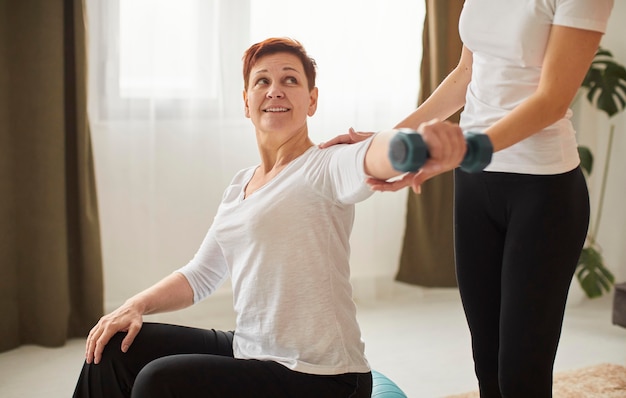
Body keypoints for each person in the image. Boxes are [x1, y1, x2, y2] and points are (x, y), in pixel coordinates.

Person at [72, 37, 466, 398]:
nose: (275, 89)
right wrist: (134, 305)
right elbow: (201, 274)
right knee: (115, 345)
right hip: (253, 350)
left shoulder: (325, 165)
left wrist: (415, 144)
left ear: (312, 101)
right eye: (262, 81)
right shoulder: (240, 185)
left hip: (321, 378)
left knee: (160, 382)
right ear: (246, 102)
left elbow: (375, 155)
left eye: (290, 80)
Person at [323, 1, 614, 396]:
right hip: (475, 184)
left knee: (521, 372)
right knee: (487, 363)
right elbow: (465, 74)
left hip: (542, 191)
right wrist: (389, 140)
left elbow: (552, 100)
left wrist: (463, 150)